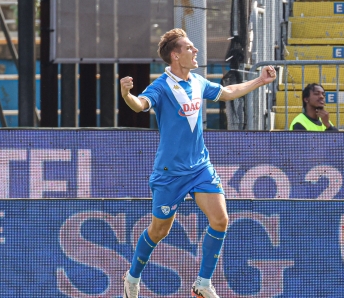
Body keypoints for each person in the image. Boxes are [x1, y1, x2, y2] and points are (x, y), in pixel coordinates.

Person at [119, 28, 277, 298]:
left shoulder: (199, 81)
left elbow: (226, 92)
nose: (196, 51)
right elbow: (139, 105)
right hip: (170, 174)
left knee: (220, 219)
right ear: (175, 55)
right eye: (190, 48)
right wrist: (126, 95)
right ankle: (132, 277)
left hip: (200, 168)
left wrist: (259, 82)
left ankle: (202, 284)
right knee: (159, 231)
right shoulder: (161, 86)